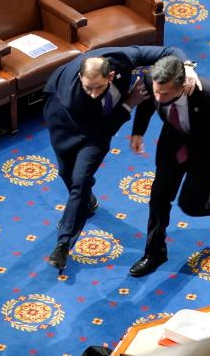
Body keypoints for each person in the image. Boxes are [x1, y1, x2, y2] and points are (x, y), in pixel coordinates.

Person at [42, 46, 198, 274]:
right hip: (65, 123)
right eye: (88, 88)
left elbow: (169, 50)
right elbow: (102, 129)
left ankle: (63, 244)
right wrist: (128, 104)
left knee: (80, 179)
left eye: (99, 87)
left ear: (111, 75)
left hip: (97, 134)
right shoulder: (73, 96)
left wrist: (187, 67)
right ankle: (86, 203)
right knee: (66, 172)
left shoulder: (121, 58)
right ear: (79, 78)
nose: (94, 93)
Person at [127, 55, 210, 277]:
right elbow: (148, 101)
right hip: (174, 146)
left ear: (182, 86)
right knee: (158, 198)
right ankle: (155, 253)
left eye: (165, 94)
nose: (159, 96)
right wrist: (138, 130)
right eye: (157, 91)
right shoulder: (152, 81)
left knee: (191, 205)